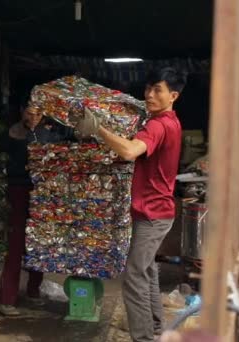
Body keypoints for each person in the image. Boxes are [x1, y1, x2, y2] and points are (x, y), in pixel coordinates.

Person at [74, 67, 186, 341]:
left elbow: (129, 151)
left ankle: (144, 338)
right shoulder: (170, 121)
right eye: (148, 88)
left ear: (173, 95)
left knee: (134, 278)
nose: (149, 94)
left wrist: (98, 129)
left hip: (153, 214)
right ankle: (157, 328)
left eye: (157, 90)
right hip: (155, 211)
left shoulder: (158, 125)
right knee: (146, 270)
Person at [0, 102, 76, 316]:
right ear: (22, 111)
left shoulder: (49, 134)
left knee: (38, 242)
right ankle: (7, 299)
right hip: (18, 191)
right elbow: (2, 160)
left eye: (39, 112)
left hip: (42, 194)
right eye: (29, 111)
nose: (33, 116)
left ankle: (33, 292)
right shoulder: (11, 134)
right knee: (15, 244)